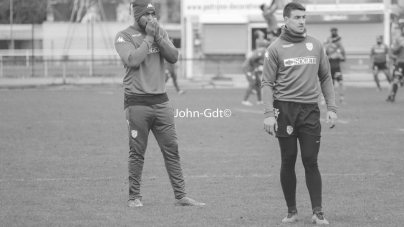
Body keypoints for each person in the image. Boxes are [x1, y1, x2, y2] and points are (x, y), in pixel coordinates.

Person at [114, 0, 205, 208]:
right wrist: (149, 37)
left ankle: (181, 196)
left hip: (162, 102)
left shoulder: (159, 31)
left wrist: (158, 37)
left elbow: (173, 57)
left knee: (172, 149)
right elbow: (133, 60)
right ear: (137, 16)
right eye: (147, 14)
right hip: (136, 102)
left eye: (153, 13)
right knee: (137, 152)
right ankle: (134, 197)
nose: (151, 18)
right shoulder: (124, 36)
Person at [262, 2, 337, 225]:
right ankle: (292, 212)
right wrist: (268, 113)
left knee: (310, 160)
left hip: (309, 110)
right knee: (288, 159)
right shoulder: (274, 49)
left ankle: (317, 212)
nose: (302, 21)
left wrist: (331, 108)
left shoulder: (315, 45)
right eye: (297, 17)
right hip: (284, 109)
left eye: (304, 17)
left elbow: (325, 77)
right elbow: (267, 82)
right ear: (286, 19)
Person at [325, 28, 346, 104]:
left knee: (340, 83)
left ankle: (341, 98)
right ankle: (329, 100)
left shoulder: (341, 49)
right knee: (331, 85)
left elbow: (344, 59)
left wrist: (340, 56)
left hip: (337, 68)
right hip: (330, 68)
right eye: (338, 40)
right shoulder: (328, 48)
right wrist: (331, 56)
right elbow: (324, 58)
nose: (339, 42)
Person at [387, 30, 404, 102]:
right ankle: (392, 96)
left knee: (396, 80)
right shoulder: (396, 43)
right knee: (395, 80)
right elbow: (392, 52)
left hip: (399, 63)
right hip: (399, 63)